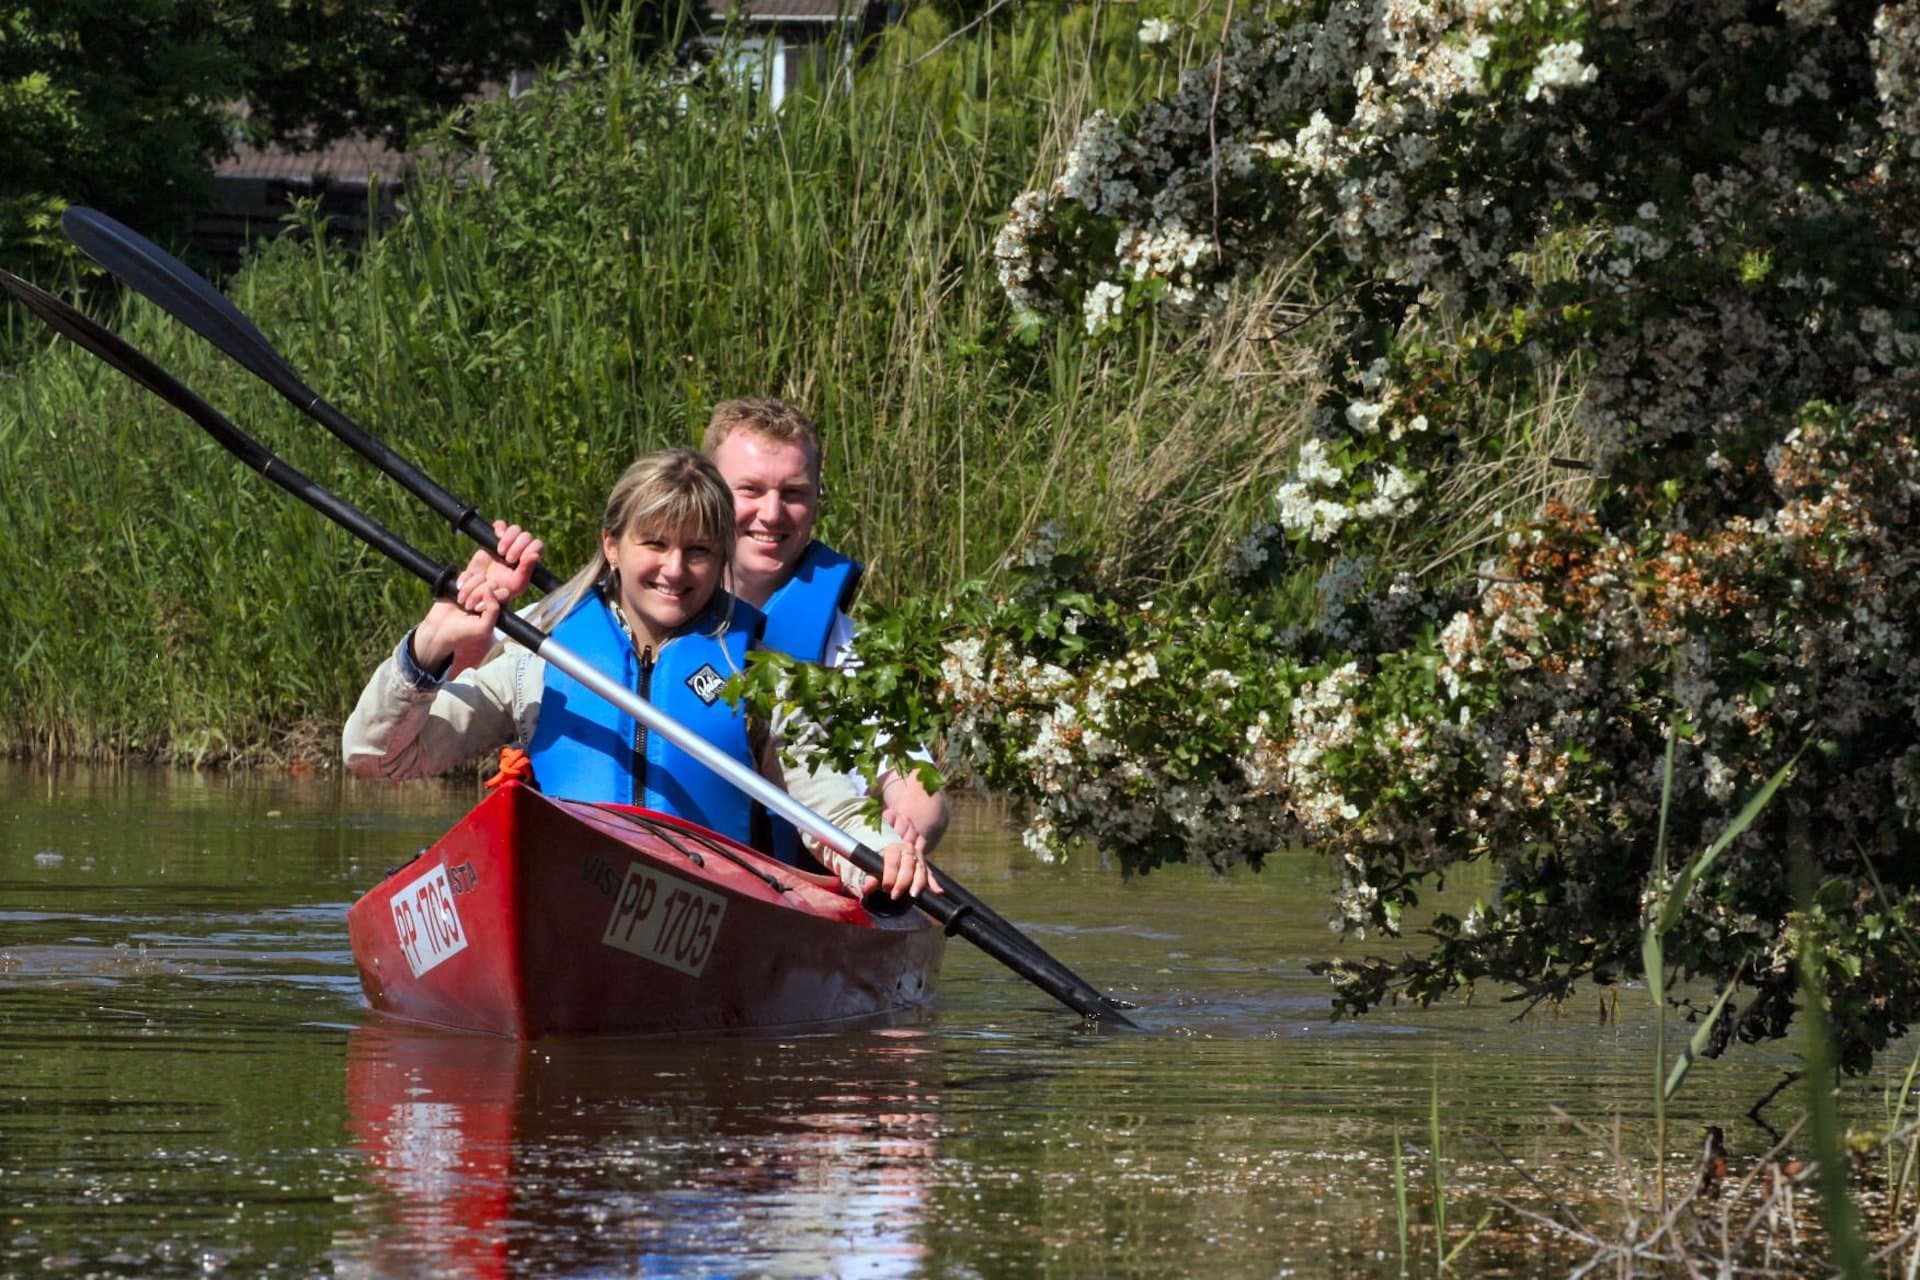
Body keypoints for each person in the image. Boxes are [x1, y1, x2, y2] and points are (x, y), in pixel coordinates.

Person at [341, 447, 933, 902]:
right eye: (655, 544)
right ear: (613, 546)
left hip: (710, 906)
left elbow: (826, 808)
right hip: (569, 893)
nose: (675, 570)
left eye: (698, 551)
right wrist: (430, 645)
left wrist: (880, 860)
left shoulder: (758, 671)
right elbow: (376, 756)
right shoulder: (537, 659)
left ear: (722, 557)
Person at [703, 398, 951, 852]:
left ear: (817, 498)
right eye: (751, 490)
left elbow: (914, 784)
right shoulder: (653, 596)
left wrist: (907, 825)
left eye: (793, 493)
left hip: (792, 882)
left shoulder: (843, 649)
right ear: (708, 492)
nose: (772, 513)